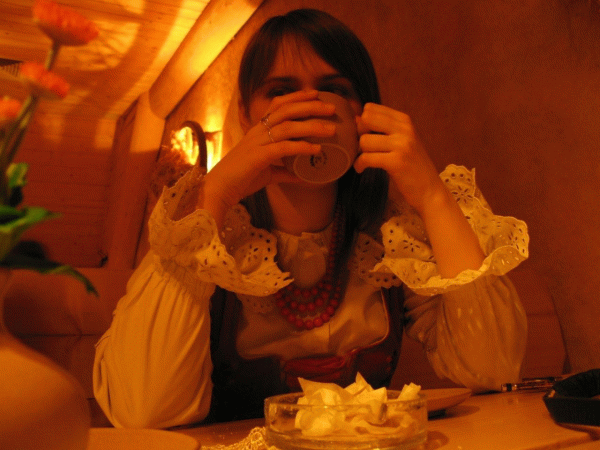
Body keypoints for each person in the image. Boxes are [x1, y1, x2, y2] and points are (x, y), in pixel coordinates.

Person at [93, 8, 529, 428]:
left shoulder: (394, 241)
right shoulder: (210, 241)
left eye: (333, 88)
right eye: (281, 92)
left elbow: (491, 370)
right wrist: (216, 193)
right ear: (246, 114)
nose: (309, 108)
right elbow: (144, 411)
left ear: (362, 113)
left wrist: (433, 197)